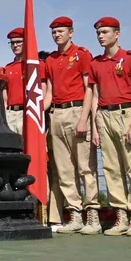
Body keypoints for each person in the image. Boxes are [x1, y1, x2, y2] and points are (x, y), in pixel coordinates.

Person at [89, 17, 131, 237]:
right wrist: (95, 127)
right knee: (112, 168)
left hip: (126, 112)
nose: (101, 36)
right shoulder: (96, 63)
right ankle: (120, 214)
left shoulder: (130, 58)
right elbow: (95, 96)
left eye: (105, 32)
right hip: (104, 115)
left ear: (117, 34)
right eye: (98, 33)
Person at [43, 16, 98, 234]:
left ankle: (92, 214)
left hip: (77, 111)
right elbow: (48, 92)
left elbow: (89, 89)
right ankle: (75, 215)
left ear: (71, 32)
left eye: (61, 31)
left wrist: (84, 118)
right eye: (54, 32)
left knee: (85, 166)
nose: (57, 35)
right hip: (57, 112)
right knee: (65, 169)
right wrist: (38, 114)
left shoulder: (82, 54)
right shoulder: (50, 60)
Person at [2, 27, 26, 135]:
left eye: (18, 42)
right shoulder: (7, 68)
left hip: (27, 113)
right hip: (10, 114)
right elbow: (5, 97)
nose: (15, 45)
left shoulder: (36, 65)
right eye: (12, 43)